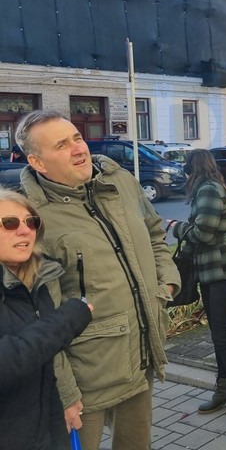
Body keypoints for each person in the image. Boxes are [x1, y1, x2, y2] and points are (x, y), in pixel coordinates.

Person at [15, 110, 181, 450]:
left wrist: (166, 283)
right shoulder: (32, 217)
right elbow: (41, 317)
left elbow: (153, 231)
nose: (79, 149)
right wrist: (65, 392)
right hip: (85, 376)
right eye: (62, 145)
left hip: (139, 356)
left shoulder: (118, 181)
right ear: (38, 162)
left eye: (77, 138)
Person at [167, 149, 226, 434]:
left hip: (222, 272)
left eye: (186, 167)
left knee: (222, 336)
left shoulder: (208, 190)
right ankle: (224, 388)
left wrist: (174, 226)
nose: (184, 172)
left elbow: (202, 234)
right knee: (218, 335)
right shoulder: (210, 188)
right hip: (211, 271)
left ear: (193, 168)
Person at [0, 187, 93, 450]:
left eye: (32, 222)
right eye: (9, 223)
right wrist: (67, 321)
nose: (24, 230)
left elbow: (45, 365)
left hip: (46, 430)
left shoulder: (34, 280)